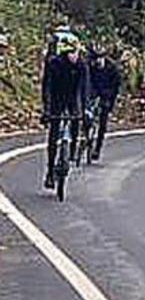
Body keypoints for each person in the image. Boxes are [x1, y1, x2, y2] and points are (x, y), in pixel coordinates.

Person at [40, 33, 88, 189]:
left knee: (76, 121)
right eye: (71, 53)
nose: (75, 56)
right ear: (65, 53)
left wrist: (84, 110)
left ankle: (71, 152)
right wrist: (47, 110)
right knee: (54, 134)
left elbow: (84, 88)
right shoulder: (54, 63)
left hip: (72, 98)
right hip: (56, 97)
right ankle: (50, 170)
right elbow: (47, 87)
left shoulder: (81, 65)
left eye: (77, 53)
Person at [87, 45, 122, 161]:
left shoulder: (112, 68)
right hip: (93, 92)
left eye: (99, 58)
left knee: (102, 122)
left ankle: (97, 148)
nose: (97, 61)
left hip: (106, 95)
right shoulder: (89, 66)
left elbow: (116, 87)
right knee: (87, 115)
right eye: (95, 58)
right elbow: (85, 82)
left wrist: (110, 103)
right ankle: (86, 136)